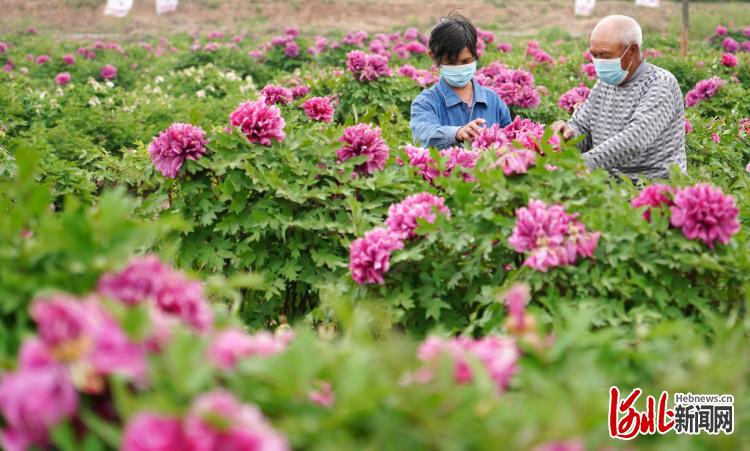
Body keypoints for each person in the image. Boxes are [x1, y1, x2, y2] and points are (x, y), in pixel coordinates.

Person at [551, 15, 686, 180]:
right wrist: (568, 135)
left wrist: (580, 164)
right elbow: (583, 127)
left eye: (606, 56)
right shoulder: (604, 85)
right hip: (608, 187)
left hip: (651, 190)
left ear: (633, 51)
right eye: (595, 55)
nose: (599, 62)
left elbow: (635, 141)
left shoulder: (660, 83)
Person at [410, 14, 512, 149]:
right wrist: (457, 133)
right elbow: (424, 134)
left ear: (476, 54)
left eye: (466, 61)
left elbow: (510, 139)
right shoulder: (426, 102)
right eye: (451, 63)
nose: (459, 68)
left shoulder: (493, 101)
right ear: (433, 56)